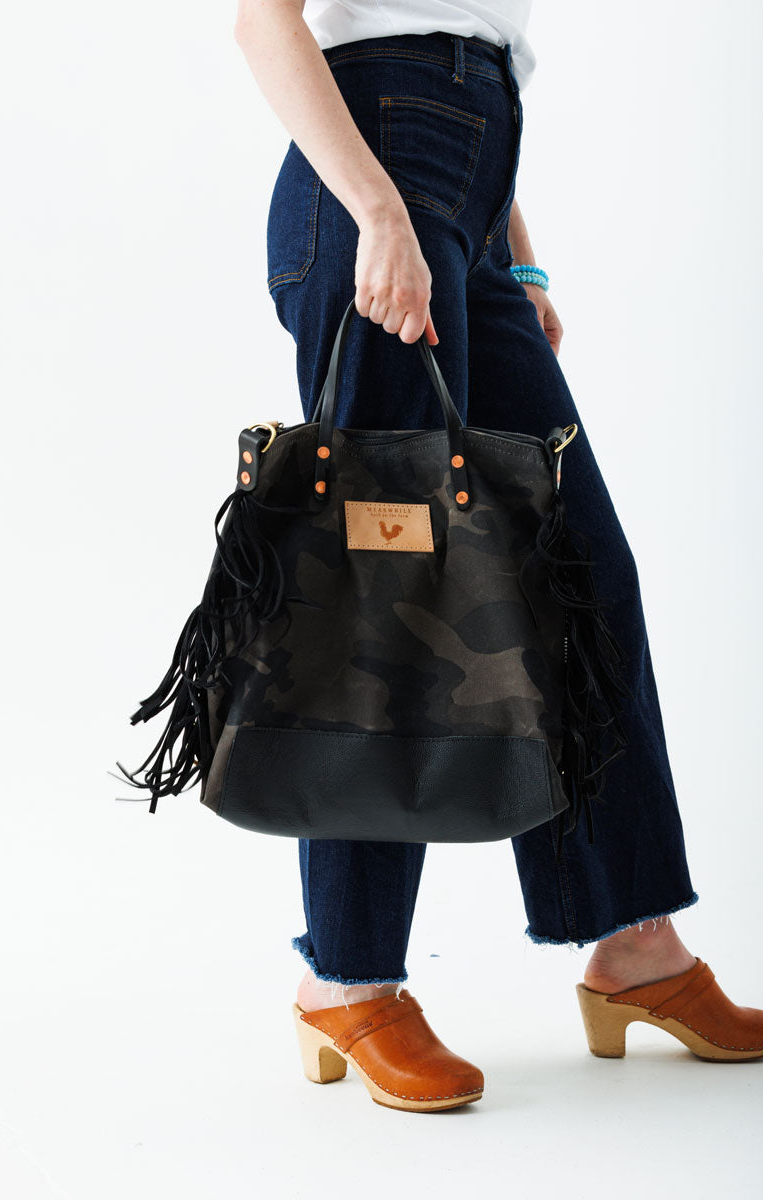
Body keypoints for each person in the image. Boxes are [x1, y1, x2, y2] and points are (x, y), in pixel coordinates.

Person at [234, 0, 763, 1111]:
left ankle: (635, 942)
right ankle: (347, 976)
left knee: (581, 573)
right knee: (385, 603)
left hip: (468, 200)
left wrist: (514, 264)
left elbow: (474, 52)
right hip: (372, 181)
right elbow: (261, 23)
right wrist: (378, 211)